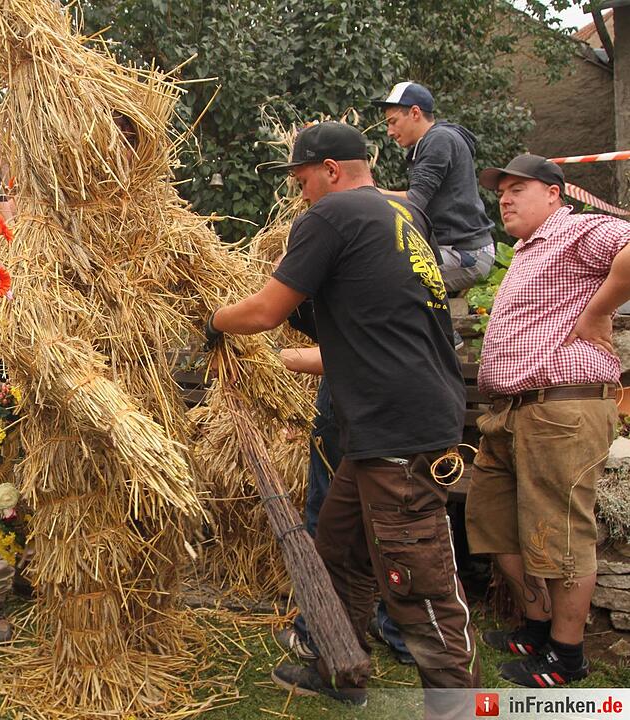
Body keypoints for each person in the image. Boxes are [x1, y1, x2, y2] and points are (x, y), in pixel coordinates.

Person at [205, 122, 477, 711]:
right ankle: (341, 669)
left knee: (416, 578)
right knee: (340, 546)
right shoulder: (403, 216)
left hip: (398, 425)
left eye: (303, 179)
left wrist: (215, 321)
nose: (300, 193)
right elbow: (365, 318)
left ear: (330, 170)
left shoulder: (331, 216)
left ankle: (456, 707)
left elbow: (265, 310)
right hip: (395, 417)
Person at [466, 154, 630, 688]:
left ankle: (567, 653)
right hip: (513, 411)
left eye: (518, 189)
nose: (505, 199)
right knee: (500, 525)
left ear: (555, 193)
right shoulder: (527, 252)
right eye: (500, 192)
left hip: (563, 407)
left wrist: (596, 309)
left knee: (559, 534)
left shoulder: (576, 230)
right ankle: (536, 630)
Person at [374, 81, 495, 292]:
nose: (389, 132)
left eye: (393, 122)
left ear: (414, 113)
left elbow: (414, 201)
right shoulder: (433, 140)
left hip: (465, 253)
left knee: (389, 282)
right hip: (452, 250)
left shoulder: (439, 139)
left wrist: (366, 194)